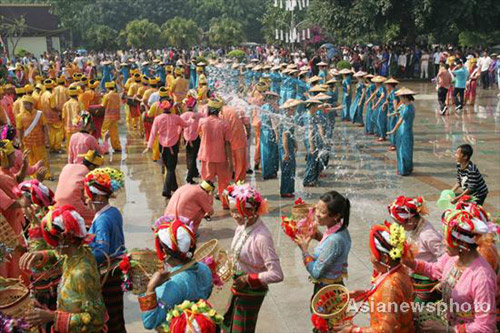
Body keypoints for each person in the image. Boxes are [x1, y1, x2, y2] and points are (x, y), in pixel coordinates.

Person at [403, 209, 497, 332]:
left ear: (461, 244)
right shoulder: (452, 258)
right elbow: (434, 269)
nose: (442, 242)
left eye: (446, 239)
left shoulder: (482, 277)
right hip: (450, 319)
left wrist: (448, 330)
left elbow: (485, 327)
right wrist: (408, 262)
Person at [21, 206, 107, 332]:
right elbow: (57, 254)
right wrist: (41, 255)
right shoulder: (78, 252)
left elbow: (96, 318)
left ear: (63, 239)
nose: (51, 245)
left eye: (52, 240)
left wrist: (52, 316)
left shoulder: (81, 273)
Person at [222, 183, 283, 332]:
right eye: (232, 211)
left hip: (251, 291)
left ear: (253, 209)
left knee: (242, 329)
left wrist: (248, 279)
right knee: (227, 325)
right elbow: (236, 254)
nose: (235, 216)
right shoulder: (241, 226)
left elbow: (277, 274)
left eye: (238, 211)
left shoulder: (262, 237)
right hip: (239, 286)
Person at [334, 222, 414, 333]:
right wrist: (366, 293)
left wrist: (353, 330)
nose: (370, 258)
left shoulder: (390, 285)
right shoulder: (398, 270)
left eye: (372, 253)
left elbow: (385, 330)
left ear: (385, 258)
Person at [137, 218, 213, 330]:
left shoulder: (173, 284)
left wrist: (150, 288)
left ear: (164, 252)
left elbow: (149, 322)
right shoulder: (204, 269)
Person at [84, 167, 126, 333]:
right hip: (118, 270)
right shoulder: (114, 212)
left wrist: (82, 260)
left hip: (108, 275)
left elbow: (102, 251)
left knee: (109, 317)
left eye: (89, 198)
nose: (87, 201)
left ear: (99, 197)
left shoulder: (102, 220)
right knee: (117, 315)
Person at [295, 191, 351, 299]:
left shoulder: (334, 240)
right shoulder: (341, 230)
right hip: (334, 286)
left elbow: (316, 272)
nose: (317, 214)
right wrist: (318, 236)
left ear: (336, 215)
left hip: (327, 294)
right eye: (317, 209)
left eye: (322, 212)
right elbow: (334, 251)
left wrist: (304, 250)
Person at [388, 196, 442, 304]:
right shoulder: (417, 226)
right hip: (416, 274)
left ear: (411, 220)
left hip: (427, 281)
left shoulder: (428, 235)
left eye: (400, 223)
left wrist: (442, 281)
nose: (399, 226)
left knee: (416, 311)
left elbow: (445, 256)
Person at [143, 99, 189, 199]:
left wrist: (149, 146)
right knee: (171, 168)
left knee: (169, 167)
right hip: (173, 145)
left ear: (161, 108)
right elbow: (186, 125)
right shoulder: (176, 118)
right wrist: (192, 118)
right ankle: (166, 190)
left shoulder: (158, 119)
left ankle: (174, 187)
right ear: (171, 107)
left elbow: (153, 133)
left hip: (162, 145)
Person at [0, 139, 29, 281]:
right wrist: (24, 202)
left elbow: (15, 180)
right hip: (7, 228)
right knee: (9, 258)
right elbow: (8, 203)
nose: (14, 157)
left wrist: (25, 166)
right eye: (12, 155)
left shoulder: (6, 173)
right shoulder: (1, 177)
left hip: (14, 222)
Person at [197, 98, 233, 209]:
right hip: (221, 157)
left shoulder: (202, 121)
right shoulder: (224, 124)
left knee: (206, 183)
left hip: (206, 156)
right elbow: (227, 144)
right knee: (224, 183)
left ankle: (207, 207)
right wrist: (230, 161)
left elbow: (200, 134)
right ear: (219, 111)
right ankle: (225, 204)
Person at [54, 150, 103, 225]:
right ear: (92, 167)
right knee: (98, 218)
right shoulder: (88, 173)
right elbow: (88, 196)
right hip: (73, 204)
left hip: (57, 202)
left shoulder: (67, 166)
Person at [16, 95, 52, 179]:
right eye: (24, 104)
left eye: (27, 104)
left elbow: (45, 127)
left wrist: (47, 138)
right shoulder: (20, 116)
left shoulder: (39, 114)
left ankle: (45, 174)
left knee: (42, 158)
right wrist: (20, 141)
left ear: (32, 104)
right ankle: (34, 174)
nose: (25, 106)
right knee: (30, 159)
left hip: (40, 140)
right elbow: (20, 130)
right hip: (27, 141)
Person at [387, 87, 416, 176]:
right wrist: (391, 114)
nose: (399, 99)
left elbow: (400, 120)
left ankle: (404, 170)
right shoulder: (406, 106)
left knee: (404, 150)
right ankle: (405, 168)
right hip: (404, 130)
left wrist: (392, 131)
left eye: (400, 97)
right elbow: (398, 113)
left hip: (405, 130)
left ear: (405, 97)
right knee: (404, 149)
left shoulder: (408, 108)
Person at [180, 93, 203, 184]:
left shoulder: (183, 116)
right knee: (193, 157)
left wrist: (181, 139)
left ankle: (194, 172)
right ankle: (189, 177)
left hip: (186, 138)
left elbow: (180, 128)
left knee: (190, 156)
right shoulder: (198, 115)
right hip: (195, 138)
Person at [278, 99, 299, 198]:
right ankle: (285, 191)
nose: (295, 109)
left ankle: (289, 189)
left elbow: (291, 134)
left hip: (289, 145)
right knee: (287, 169)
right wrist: (286, 152)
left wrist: (295, 143)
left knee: (291, 168)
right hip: (286, 147)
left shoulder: (290, 118)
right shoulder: (286, 119)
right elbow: (284, 137)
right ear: (289, 109)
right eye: (293, 108)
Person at [260, 90, 280, 180]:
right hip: (269, 131)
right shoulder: (270, 108)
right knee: (271, 152)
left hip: (263, 131)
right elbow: (273, 122)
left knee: (265, 152)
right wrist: (277, 135)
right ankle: (270, 172)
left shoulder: (263, 107)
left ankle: (266, 171)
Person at [40, 79, 63, 152]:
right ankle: (56, 147)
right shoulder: (51, 95)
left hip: (46, 116)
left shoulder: (43, 94)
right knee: (57, 132)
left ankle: (51, 147)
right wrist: (59, 110)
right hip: (53, 116)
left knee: (50, 132)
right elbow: (53, 107)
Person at [62, 86, 84, 150]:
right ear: (77, 94)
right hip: (78, 129)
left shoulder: (66, 104)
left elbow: (63, 117)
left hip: (68, 128)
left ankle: (70, 158)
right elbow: (83, 116)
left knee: (69, 146)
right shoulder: (79, 104)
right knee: (78, 146)